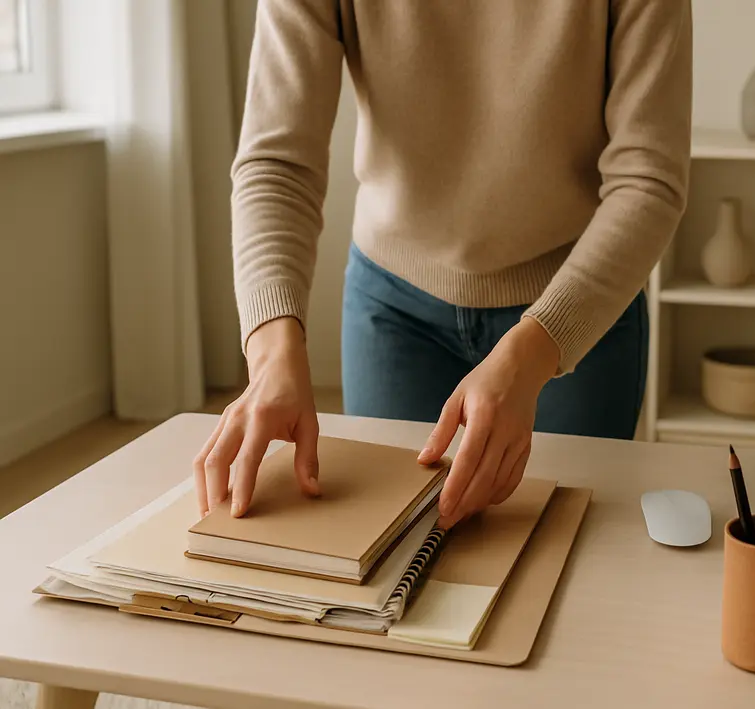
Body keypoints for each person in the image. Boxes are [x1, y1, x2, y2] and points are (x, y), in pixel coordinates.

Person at [194, 0, 693, 529]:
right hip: (393, 306)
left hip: (576, 309)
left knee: (571, 561)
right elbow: (278, 165)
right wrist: (272, 355)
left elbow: (648, 180)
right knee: (388, 556)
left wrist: (535, 351)